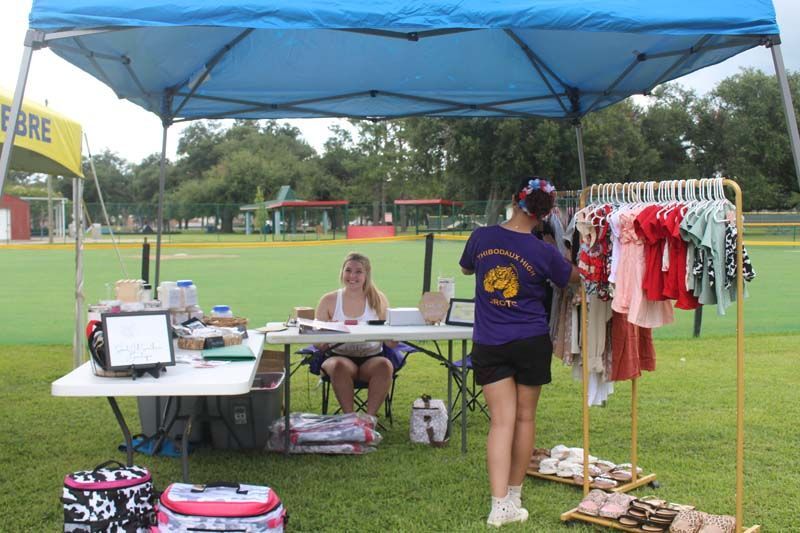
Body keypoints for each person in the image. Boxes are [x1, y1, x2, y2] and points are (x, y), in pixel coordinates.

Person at [459, 176, 579, 527]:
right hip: (530, 341)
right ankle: (514, 495)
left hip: (489, 342)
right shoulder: (543, 251)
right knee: (525, 418)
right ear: (547, 214)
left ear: (516, 200)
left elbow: (466, 267)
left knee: (501, 422)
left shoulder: (481, 237)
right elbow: (571, 277)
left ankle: (499, 507)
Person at [315, 252, 395, 417]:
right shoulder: (328, 300)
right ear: (342, 272)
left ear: (366, 275)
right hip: (338, 357)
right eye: (348, 270)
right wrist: (324, 336)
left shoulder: (379, 299)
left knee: (385, 366)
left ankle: (369, 420)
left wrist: (396, 334)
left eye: (358, 271)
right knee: (339, 366)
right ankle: (350, 420)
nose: (352, 276)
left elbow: (390, 342)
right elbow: (318, 343)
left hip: (371, 357)